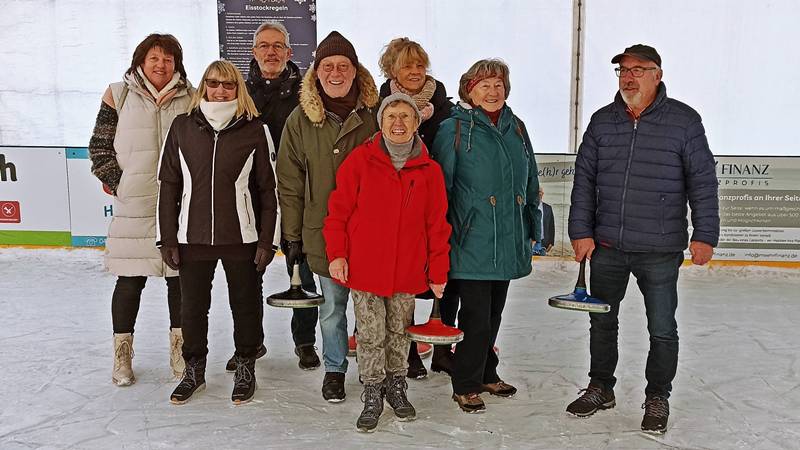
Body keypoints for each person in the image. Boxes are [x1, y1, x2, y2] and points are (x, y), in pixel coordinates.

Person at [566, 44, 719, 434]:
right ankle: (601, 386)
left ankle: (657, 396)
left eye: (638, 69)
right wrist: (581, 231)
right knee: (602, 322)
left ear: (657, 75)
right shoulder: (602, 122)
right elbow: (584, 180)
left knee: (662, 327)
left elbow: (702, 181)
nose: (628, 77)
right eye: (622, 70)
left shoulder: (684, 122)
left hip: (660, 247)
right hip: (608, 246)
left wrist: (704, 234)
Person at [323, 93, 451, 432]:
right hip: (365, 268)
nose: (398, 123)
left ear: (415, 123)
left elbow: (437, 225)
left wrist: (438, 270)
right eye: (391, 115)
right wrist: (337, 254)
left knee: (398, 332)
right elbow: (338, 212)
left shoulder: (429, 171)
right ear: (380, 122)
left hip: (407, 269)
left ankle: (396, 386)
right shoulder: (359, 161)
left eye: (405, 117)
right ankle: (371, 391)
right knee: (369, 333)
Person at [158, 60, 278, 405]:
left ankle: (245, 366)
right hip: (191, 237)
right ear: (203, 87)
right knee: (192, 308)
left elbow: (269, 190)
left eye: (228, 84)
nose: (220, 90)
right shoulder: (182, 127)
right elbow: (167, 186)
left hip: (243, 236)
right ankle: (193, 370)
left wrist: (268, 239)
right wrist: (167, 237)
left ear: (238, 89)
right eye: (213, 83)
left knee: (246, 306)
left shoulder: (255, 129)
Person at [431, 59, 541, 413]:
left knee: (493, 314)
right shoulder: (454, 129)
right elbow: (441, 189)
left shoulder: (517, 127)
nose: (492, 92)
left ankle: (486, 372)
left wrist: (532, 227)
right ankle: (464, 383)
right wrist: (440, 238)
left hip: (508, 237)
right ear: (469, 90)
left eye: (498, 85)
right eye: (484, 85)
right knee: (476, 319)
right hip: (471, 238)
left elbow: (531, 180)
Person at [276, 31, 380, 403]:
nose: (336, 73)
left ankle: (374, 371)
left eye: (344, 65)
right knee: (333, 308)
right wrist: (292, 236)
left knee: (371, 308)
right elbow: (289, 182)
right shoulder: (300, 120)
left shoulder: (376, 114)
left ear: (356, 71)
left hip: (372, 234)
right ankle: (335, 369)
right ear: (316, 73)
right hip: (323, 233)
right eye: (328, 66)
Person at [88, 33, 193, 386]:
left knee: (180, 281)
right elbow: (100, 146)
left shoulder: (191, 98)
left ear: (176, 63)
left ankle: (180, 350)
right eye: (154, 59)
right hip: (135, 205)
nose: (161, 65)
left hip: (179, 207)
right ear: (140, 61)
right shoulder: (118, 94)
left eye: (167, 59)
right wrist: (121, 183)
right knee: (129, 280)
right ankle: (122, 353)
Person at [220, 21, 321, 373]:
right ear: (253, 52)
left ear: (290, 53)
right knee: (248, 276)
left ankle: (304, 342)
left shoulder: (308, 93)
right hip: (250, 200)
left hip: (296, 197)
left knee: (302, 273)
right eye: (264, 46)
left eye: (278, 46)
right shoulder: (239, 93)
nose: (271, 52)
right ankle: (250, 343)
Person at [372, 37, 457, 380]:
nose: (415, 72)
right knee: (402, 280)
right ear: (392, 70)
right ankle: (406, 352)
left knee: (443, 275)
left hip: (437, 198)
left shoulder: (444, 106)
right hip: (397, 205)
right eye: (407, 65)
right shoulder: (380, 107)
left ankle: (440, 349)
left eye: (420, 64)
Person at [533, 187, 555, 256]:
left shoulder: (548, 208)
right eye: (537, 192)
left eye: (540, 192)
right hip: (531, 243)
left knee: (541, 264)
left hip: (543, 243)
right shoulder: (529, 207)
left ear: (542, 194)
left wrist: (551, 242)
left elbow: (551, 226)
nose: (539, 194)